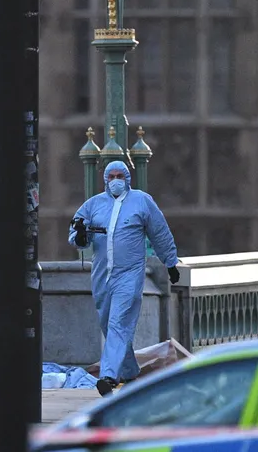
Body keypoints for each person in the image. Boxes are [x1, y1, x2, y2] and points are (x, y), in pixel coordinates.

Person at [69, 159, 180, 396]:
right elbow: (78, 234)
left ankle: (108, 377)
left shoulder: (142, 201)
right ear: (105, 180)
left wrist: (170, 263)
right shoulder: (93, 205)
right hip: (102, 275)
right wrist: (79, 235)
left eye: (121, 176)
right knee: (109, 323)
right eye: (112, 177)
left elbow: (160, 233)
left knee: (119, 323)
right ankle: (130, 372)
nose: (116, 181)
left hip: (129, 275)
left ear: (128, 179)